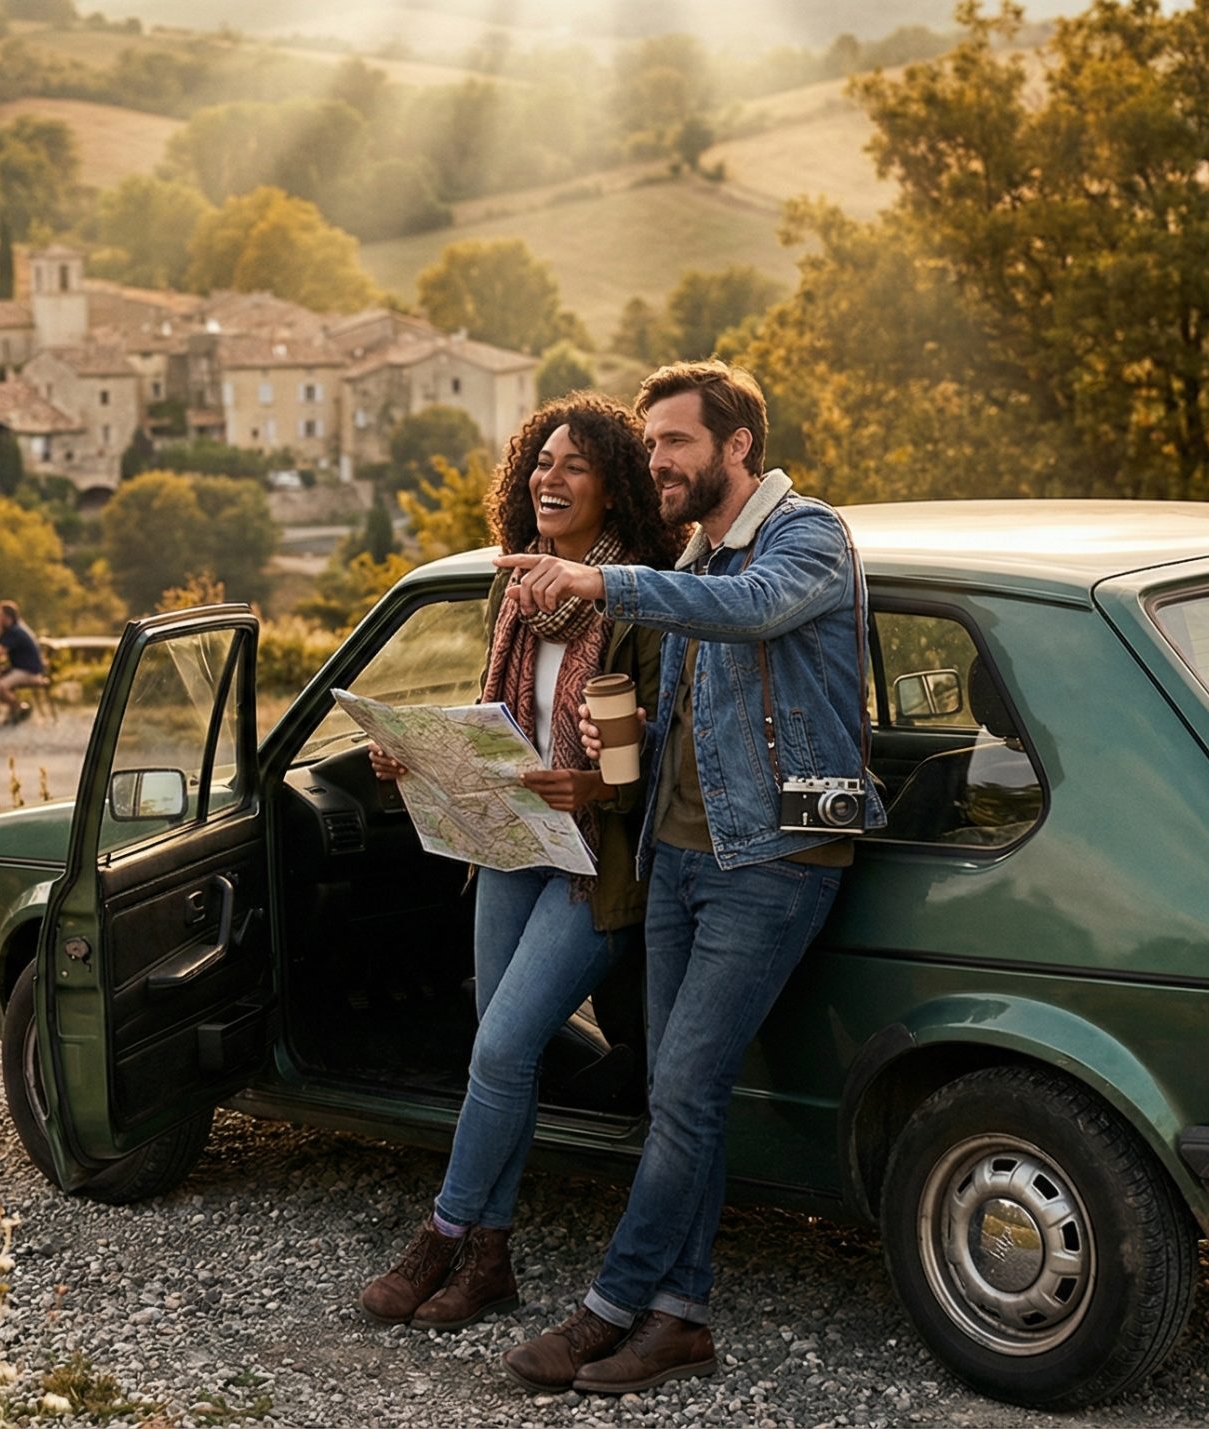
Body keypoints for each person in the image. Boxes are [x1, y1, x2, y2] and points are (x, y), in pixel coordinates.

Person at [490, 360, 881, 1396]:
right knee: (678, 1097)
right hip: (674, 857)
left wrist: (598, 579)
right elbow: (675, 709)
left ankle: (611, 1306)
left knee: (685, 1090)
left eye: (673, 443)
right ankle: (680, 1315)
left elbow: (755, 613)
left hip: (775, 856)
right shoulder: (700, 556)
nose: (654, 460)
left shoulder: (807, 539)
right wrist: (602, 746)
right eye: (651, 444)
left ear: (736, 445)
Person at [355, 392, 681, 1335]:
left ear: (612, 490)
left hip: (594, 864)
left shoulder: (636, 602)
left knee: (501, 1046)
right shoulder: (513, 594)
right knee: (500, 1056)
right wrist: (416, 754)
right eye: (541, 460)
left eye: (574, 464)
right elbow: (503, 725)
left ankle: (442, 1232)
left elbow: (652, 752)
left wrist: (601, 790)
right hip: (508, 843)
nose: (550, 475)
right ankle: (490, 1256)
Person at [0, 599, 50, 720]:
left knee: (1, 686)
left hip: (29, 672)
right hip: (20, 668)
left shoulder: (16, 632)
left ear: (6, 617)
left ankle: (21, 709)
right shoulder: (13, 629)